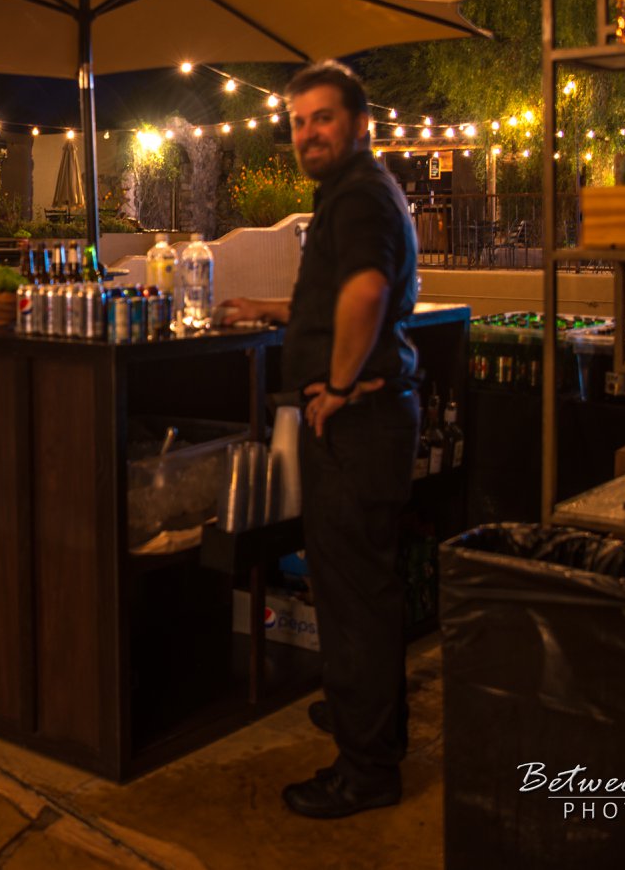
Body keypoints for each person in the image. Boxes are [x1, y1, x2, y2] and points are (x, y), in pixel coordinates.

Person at [217, 60, 420, 820]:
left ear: (360, 122)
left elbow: (366, 292)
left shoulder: (360, 194)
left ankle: (367, 771)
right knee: (363, 586)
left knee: (353, 595)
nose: (307, 133)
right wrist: (268, 310)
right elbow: (337, 294)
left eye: (322, 118)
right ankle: (368, 714)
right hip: (371, 419)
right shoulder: (356, 192)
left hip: (359, 421)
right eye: (299, 121)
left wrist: (334, 388)